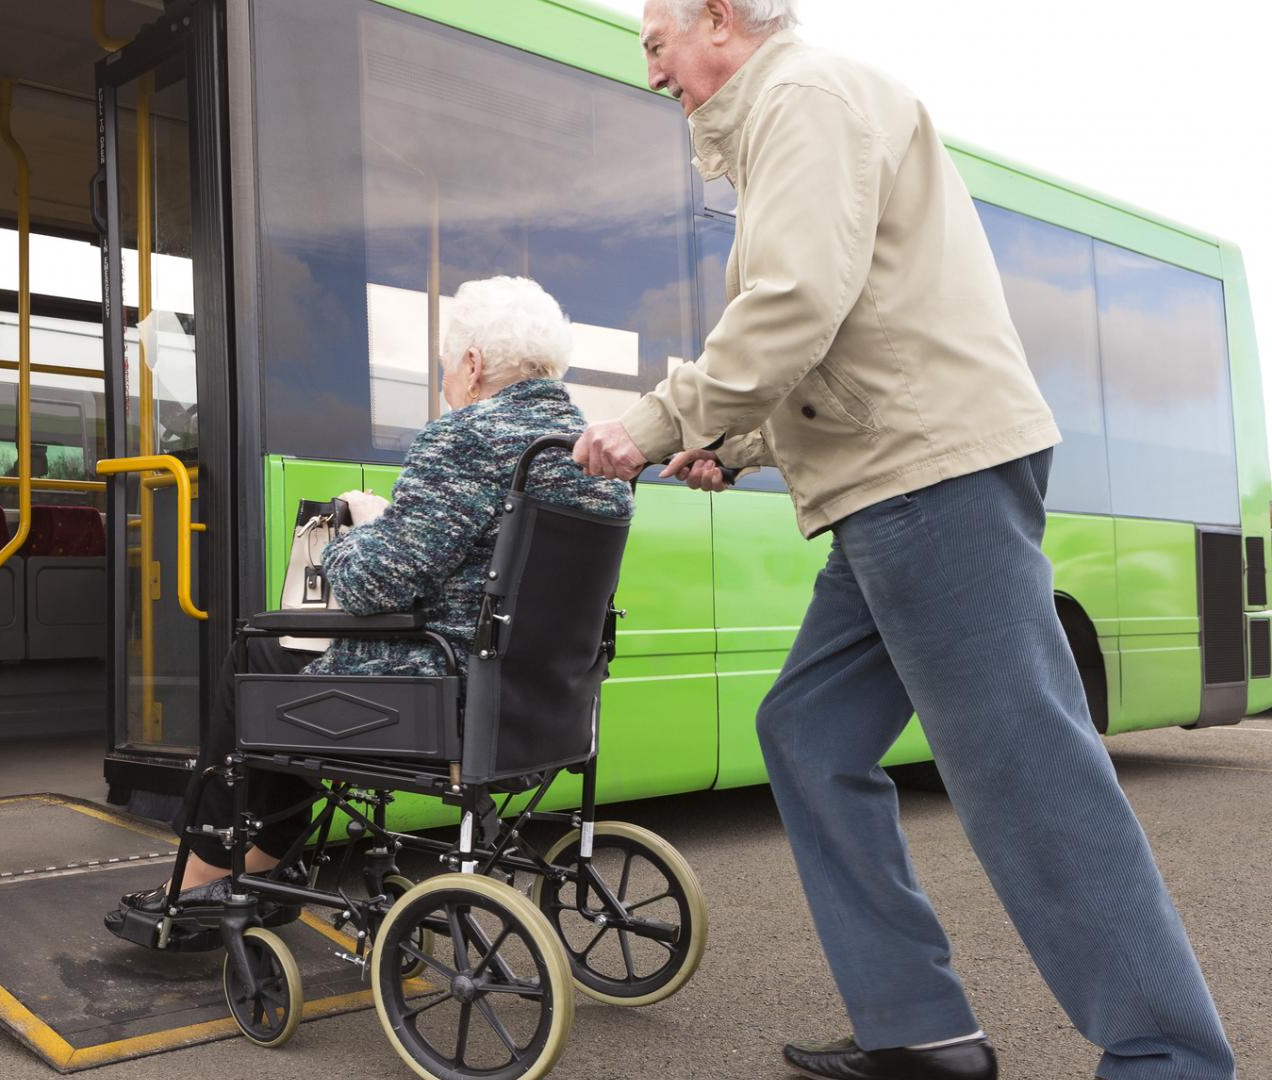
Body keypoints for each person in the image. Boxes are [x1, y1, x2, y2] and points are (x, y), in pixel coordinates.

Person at [573, 3, 1235, 1079]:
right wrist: (737, 446)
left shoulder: (800, 97)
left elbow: (795, 303)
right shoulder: (801, 108)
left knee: (1024, 773)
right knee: (806, 733)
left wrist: (658, 420)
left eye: (654, 44)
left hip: (929, 481)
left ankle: (1166, 1060)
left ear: (715, 17)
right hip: (896, 481)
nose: (651, 75)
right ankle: (916, 1028)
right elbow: (861, 328)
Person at [110, 276, 631, 924]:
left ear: (472, 365)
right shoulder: (593, 452)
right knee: (283, 668)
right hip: (550, 701)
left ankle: (212, 872)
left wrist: (357, 529)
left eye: (446, 367)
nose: (447, 381)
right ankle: (272, 856)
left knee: (257, 656)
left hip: (447, 692)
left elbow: (370, 586)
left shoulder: (465, 438)